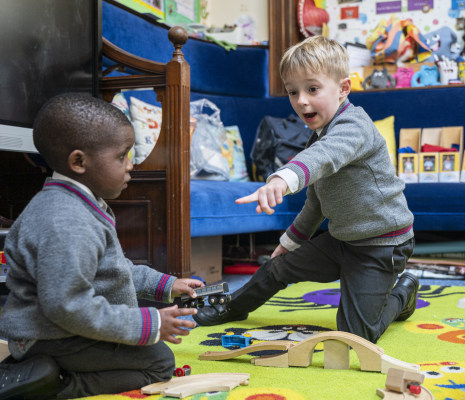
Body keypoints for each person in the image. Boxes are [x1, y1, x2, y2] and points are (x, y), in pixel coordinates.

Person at [194, 36, 419, 344]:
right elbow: (316, 202)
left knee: (355, 336)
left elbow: (323, 157)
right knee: (276, 267)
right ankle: (233, 306)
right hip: (343, 241)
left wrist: (281, 179)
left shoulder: (354, 127)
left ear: (342, 89)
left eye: (312, 89)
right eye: (293, 92)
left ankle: (402, 294)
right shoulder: (318, 134)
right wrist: (290, 242)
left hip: (381, 245)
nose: (301, 100)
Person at [0, 93, 204, 399]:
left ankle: (36, 369)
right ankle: (51, 385)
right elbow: (67, 305)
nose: (130, 165)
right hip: (51, 335)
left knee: (151, 351)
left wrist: (167, 285)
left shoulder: (78, 204)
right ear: (79, 162)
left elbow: (113, 271)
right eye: (122, 156)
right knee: (158, 363)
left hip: (58, 330)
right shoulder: (66, 220)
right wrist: (146, 322)